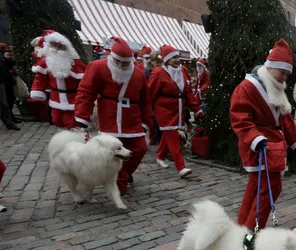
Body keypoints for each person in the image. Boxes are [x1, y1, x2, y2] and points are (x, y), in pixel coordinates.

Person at [230, 38, 296, 230]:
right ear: (271, 67)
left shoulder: (275, 86)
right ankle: (251, 233)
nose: (284, 78)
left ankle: (241, 229)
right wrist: (255, 138)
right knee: (270, 188)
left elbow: (285, 117)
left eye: (287, 74)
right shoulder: (247, 88)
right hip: (260, 147)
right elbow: (240, 117)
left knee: (255, 188)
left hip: (272, 147)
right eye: (282, 72)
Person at [74, 37, 152, 193]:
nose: (123, 66)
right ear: (112, 58)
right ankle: (119, 183)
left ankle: (124, 173)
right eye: (119, 62)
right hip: (109, 116)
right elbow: (86, 91)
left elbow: (145, 100)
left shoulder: (138, 74)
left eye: (126, 62)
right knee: (111, 153)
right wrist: (82, 115)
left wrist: (145, 121)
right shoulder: (97, 67)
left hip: (132, 117)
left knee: (140, 148)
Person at [148, 45, 203, 178]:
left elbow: (188, 92)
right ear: (166, 60)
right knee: (173, 136)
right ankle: (181, 167)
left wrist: (196, 109)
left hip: (177, 110)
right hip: (164, 110)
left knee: (170, 135)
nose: (177, 60)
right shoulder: (158, 72)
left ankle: (160, 156)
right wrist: (147, 111)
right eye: (174, 58)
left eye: (178, 57)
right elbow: (149, 92)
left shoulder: (181, 71)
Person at [30, 30, 86, 129]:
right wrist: (38, 91)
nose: (56, 48)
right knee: (57, 120)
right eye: (53, 45)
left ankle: (73, 140)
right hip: (56, 97)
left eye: (59, 45)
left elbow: (85, 82)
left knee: (71, 123)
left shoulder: (76, 63)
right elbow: (40, 78)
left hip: (73, 98)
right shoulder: (46, 62)